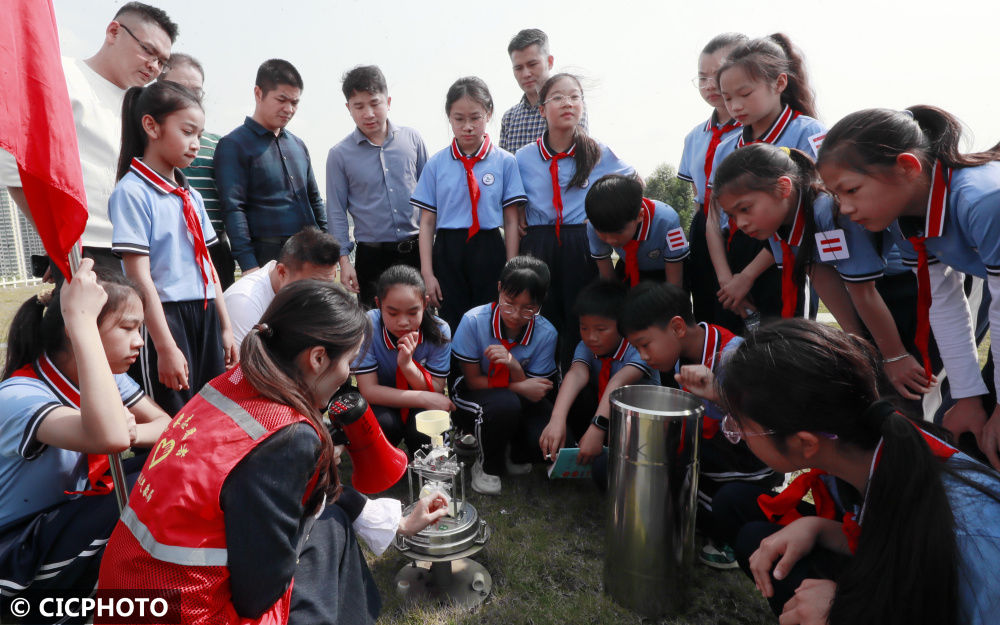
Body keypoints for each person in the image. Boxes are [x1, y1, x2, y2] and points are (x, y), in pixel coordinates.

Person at [97, 280, 449, 624]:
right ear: (317, 358)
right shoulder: (289, 436)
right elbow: (259, 593)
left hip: (128, 599)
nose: (347, 378)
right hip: (193, 611)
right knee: (328, 535)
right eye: (349, 363)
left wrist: (392, 522)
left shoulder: (228, 384)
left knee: (331, 524)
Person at [681, 319, 1000, 624]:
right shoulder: (858, 439)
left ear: (804, 444)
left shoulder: (972, 540)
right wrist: (819, 528)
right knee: (744, 513)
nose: (735, 431)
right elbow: (880, 536)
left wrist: (847, 613)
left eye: (739, 425)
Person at [817, 106, 1000, 470]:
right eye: (837, 197)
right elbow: (945, 303)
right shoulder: (905, 220)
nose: (846, 209)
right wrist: (967, 397)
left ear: (907, 166)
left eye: (851, 190)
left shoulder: (982, 200)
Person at [0, 260, 170, 605]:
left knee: (164, 468)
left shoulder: (107, 377)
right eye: (127, 328)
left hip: (60, 521)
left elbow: (168, 427)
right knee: (140, 490)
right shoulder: (19, 396)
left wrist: (131, 430)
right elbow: (108, 438)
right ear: (78, 330)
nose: (139, 342)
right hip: (13, 549)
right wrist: (81, 322)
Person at [713, 143, 933, 402]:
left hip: (908, 289)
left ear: (783, 188)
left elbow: (864, 290)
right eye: (732, 215)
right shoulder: (776, 225)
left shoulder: (827, 211)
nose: (741, 223)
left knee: (908, 387)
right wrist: (857, 343)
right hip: (870, 298)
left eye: (745, 208)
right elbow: (823, 277)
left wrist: (894, 355)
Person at [0, 2, 177, 277]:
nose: (153, 66)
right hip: (87, 251)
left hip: (144, 252)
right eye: (148, 50)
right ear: (113, 32)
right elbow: (15, 168)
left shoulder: (145, 108)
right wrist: (60, 244)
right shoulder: (61, 79)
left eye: (162, 61)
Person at [620, 281, 778, 569]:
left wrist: (718, 393)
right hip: (712, 459)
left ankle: (720, 532)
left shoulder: (735, 358)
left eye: (645, 344)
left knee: (654, 481)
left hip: (746, 467)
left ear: (678, 327)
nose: (643, 356)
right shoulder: (682, 357)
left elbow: (770, 429)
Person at [109, 80, 237, 416]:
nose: (196, 144)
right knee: (174, 417)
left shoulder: (190, 195)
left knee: (211, 411)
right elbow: (140, 278)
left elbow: (207, 265)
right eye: (188, 132)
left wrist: (225, 326)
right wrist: (165, 346)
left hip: (205, 312)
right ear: (151, 126)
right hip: (165, 317)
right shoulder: (133, 192)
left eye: (200, 134)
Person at [705, 34, 826, 332]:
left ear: (780, 83)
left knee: (789, 349)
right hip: (734, 263)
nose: (735, 106)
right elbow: (713, 216)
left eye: (745, 94)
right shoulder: (726, 147)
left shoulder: (808, 134)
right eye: (728, 97)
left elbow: (805, 217)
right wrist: (726, 278)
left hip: (786, 261)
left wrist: (746, 277)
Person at [516, 73, 634, 368]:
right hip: (538, 244)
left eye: (574, 97)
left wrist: (602, 215)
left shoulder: (597, 152)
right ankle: (545, 387)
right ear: (541, 109)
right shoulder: (522, 157)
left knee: (581, 316)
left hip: (582, 243)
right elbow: (511, 200)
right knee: (540, 319)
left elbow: (633, 182)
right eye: (557, 97)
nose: (567, 103)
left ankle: (582, 388)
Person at [413, 77, 525, 331]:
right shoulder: (436, 164)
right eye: (459, 119)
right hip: (448, 250)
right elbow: (427, 222)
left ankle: (485, 370)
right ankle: (453, 372)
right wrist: (427, 273)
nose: (467, 127)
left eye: (475, 117)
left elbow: (510, 219)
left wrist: (511, 267)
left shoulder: (505, 162)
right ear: (449, 118)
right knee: (451, 319)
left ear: (489, 113)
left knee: (489, 318)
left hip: (489, 248)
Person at [451, 256, 557, 495]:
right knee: (504, 404)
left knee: (542, 442)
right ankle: (486, 466)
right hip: (474, 395)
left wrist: (515, 367)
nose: (516, 314)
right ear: (499, 289)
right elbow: (473, 382)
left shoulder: (546, 333)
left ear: (541, 302)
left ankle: (508, 449)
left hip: (519, 401)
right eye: (509, 303)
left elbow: (536, 393)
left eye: (529, 308)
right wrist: (520, 386)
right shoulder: (473, 321)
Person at [327, 65, 429, 308]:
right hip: (371, 259)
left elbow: (431, 200)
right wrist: (344, 262)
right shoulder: (339, 155)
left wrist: (431, 261)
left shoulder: (412, 140)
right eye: (359, 106)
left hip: (416, 252)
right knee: (373, 329)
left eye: (375, 103)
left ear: (388, 101)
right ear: (348, 108)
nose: (368, 113)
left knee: (421, 324)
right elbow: (336, 212)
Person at [215, 59, 327, 273]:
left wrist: (328, 246)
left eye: (295, 103)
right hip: (268, 257)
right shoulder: (233, 145)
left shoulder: (298, 145)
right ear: (258, 93)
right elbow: (233, 208)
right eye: (281, 100)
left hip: (310, 254)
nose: (289, 109)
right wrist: (249, 265)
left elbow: (314, 199)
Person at [538, 279, 658, 466]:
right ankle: (577, 445)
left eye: (601, 329)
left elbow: (618, 383)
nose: (591, 337)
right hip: (602, 411)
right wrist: (556, 420)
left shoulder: (639, 347)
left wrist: (597, 428)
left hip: (637, 418)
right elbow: (576, 374)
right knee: (576, 395)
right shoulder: (586, 346)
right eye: (584, 328)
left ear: (622, 324)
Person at [677, 33, 748, 322]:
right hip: (705, 229)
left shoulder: (751, 132)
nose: (710, 85)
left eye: (717, 75)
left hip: (745, 229)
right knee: (708, 309)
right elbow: (698, 195)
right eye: (702, 77)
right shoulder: (695, 137)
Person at [352, 265, 454, 454]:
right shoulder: (368, 326)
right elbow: (369, 390)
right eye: (393, 313)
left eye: (412, 312)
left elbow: (437, 387)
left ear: (425, 303)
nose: (403, 322)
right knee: (383, 424)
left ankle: (424, 462)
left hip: (417, 402)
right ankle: (383, 461)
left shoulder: (440, 331)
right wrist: (424, 398)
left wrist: (407, 366)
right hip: (382, 403)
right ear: (378, 303)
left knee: (425, 427)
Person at [160, 53, 237, 290]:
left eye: (197, 90)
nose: (190, 96)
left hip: (213, 248)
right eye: (181, 88)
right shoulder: (143, 141)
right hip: (165, 251)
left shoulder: (218, 144)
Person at [224, 227, 341, 344]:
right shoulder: (244, 302)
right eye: (312, 285)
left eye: (328, 284)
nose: (321, 294)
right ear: (282, 272)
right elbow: (243, 361)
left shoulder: (313, 299)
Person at [584, 174, 688, 288]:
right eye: (602, 233)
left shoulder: (668, 224)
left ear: (640, 215)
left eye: (618, 232)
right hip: (628, 268)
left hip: (664, 273)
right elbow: (608, 279)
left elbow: (674, 285)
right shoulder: (594, 224)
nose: (610, 240)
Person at [499, 28, 588, 154]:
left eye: (532, 64)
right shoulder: (509, 118)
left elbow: (580, 156)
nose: (526, 74)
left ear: (549, 62)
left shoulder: (569, 106)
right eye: (518, 68)